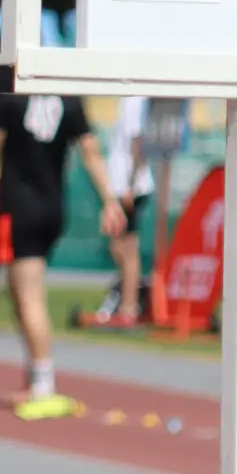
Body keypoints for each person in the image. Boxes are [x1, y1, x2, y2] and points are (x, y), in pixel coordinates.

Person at [0, 89, 119, 420]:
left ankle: (44, 382)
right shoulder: (68, 97)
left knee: (28, 298)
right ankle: (35, 376)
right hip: (53, 205)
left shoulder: (8, 96)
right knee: (20, 293)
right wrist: (108, 199)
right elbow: (91, 150)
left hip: (19, 205)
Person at [85, 92, 154, 327]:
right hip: (125, 184)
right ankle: (128, 299)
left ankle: (129, 305)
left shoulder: (136, 100)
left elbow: (138, 143)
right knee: (120, 247)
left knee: (127, 248)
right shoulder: (129, 100)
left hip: (130, 186)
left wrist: (131, 185)